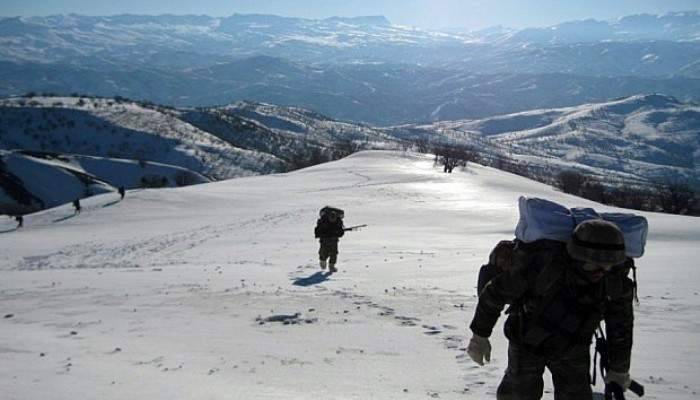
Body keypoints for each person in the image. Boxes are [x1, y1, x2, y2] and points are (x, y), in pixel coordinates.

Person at [467, 219, 635, 400]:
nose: (600, 271)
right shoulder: (543, 267)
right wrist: (479, 336)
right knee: (518, 394)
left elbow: (621, 327)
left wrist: (619, 369)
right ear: (577, 255)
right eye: (593, 264)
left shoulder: (615, 283)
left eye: (607, 266)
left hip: (573, 344)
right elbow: (494, 293)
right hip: (527, 340)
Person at [314, 207, 345, 273]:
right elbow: (317, 231)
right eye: (331, 218)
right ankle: (323, 261)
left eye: (334, 219)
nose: (332, 220)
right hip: (324, 240)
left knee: (334, 253)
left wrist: (336, 233)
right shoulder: (323, 222)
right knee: (323, 252)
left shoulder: (338, 222)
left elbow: (341, 233)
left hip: (334, 240)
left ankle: (331, 266)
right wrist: (325, 234)